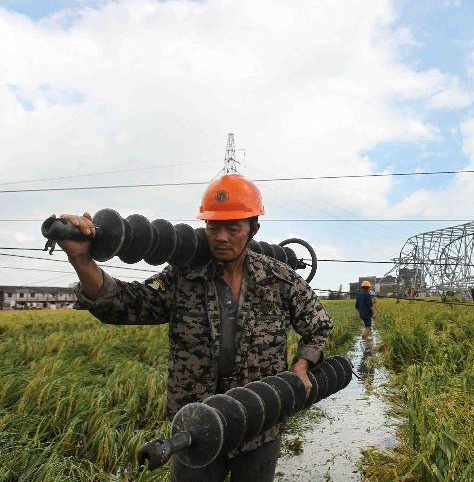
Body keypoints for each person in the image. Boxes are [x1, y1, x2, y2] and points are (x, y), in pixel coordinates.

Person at [56, 174, 333, 482]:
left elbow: (318, 323)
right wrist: (81, 258)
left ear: (253, 229)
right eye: (214, 226)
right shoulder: (181, 277)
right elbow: (125, 304)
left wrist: (302, 364)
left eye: (233, 227)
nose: (222, 237)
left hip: (260, 421)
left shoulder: (279, 280)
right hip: (195, 426)